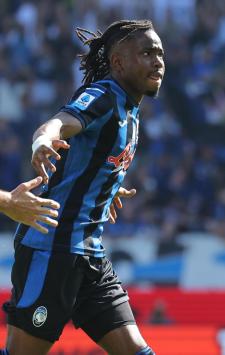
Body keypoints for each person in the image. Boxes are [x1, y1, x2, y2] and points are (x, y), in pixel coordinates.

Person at [3, 19, 165, 355]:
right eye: (147, 53)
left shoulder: (130, 111)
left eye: (160, 53)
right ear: (118, 63)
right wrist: (43, 142)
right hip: (51, 250)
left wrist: (104, 188)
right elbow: (58, 124)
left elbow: (91, 161)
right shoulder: (103, 96)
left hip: (90, 256)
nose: (158, 61)